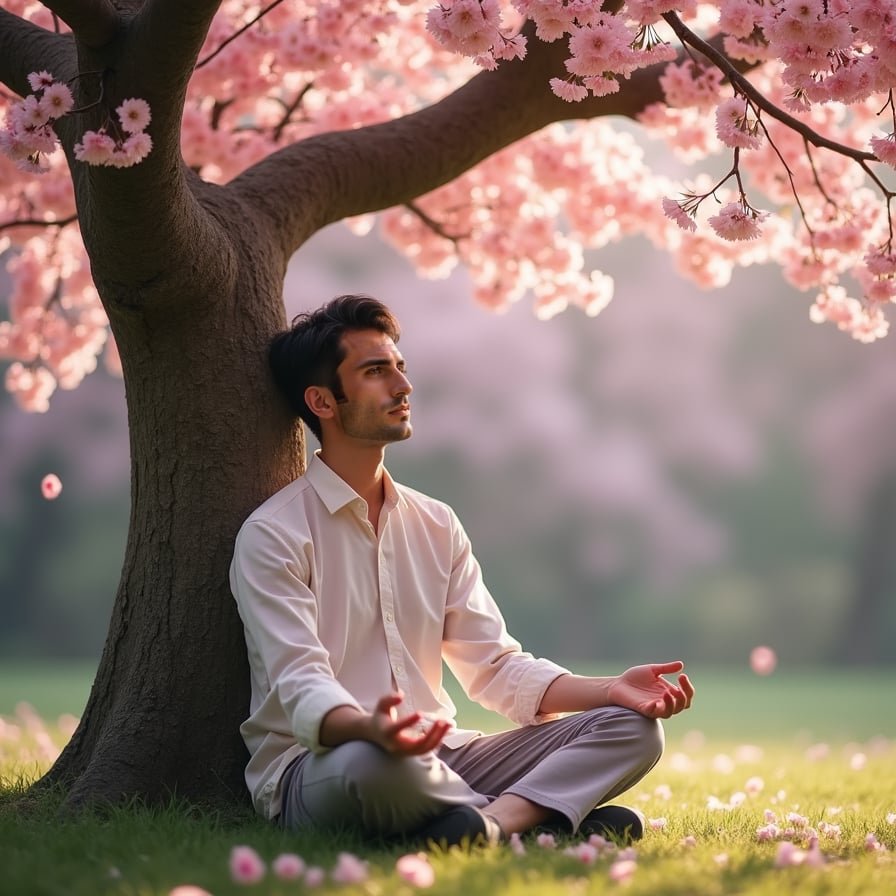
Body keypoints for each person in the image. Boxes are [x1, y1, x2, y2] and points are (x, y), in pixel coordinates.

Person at [230, 294, 695, 848]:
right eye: (376, 372)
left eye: (400, 368)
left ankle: (494, 825)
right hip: (327, 764)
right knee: (375, 763)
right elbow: (299, 684)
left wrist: (612, 689)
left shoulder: (436, 523)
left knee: (634, 728)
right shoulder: (273, 534)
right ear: (322, 402)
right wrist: (371, 728)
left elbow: (495, 667)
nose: (403, 387)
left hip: (443, 756)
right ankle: (543, 817)